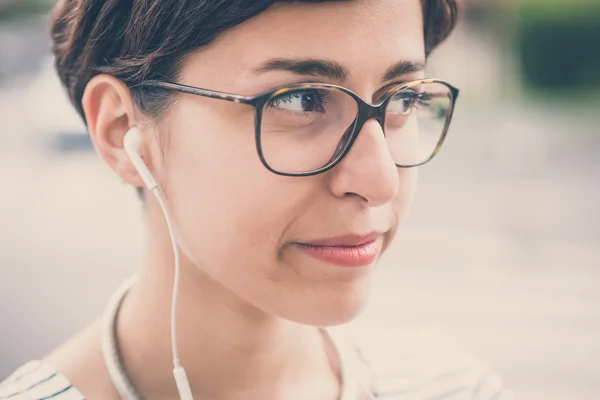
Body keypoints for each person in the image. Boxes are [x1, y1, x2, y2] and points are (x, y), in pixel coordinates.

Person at [0, 0, 513, 399]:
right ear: (120, 130)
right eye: (301, 99)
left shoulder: (452, 386)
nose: (381, 180)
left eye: (403, 98)